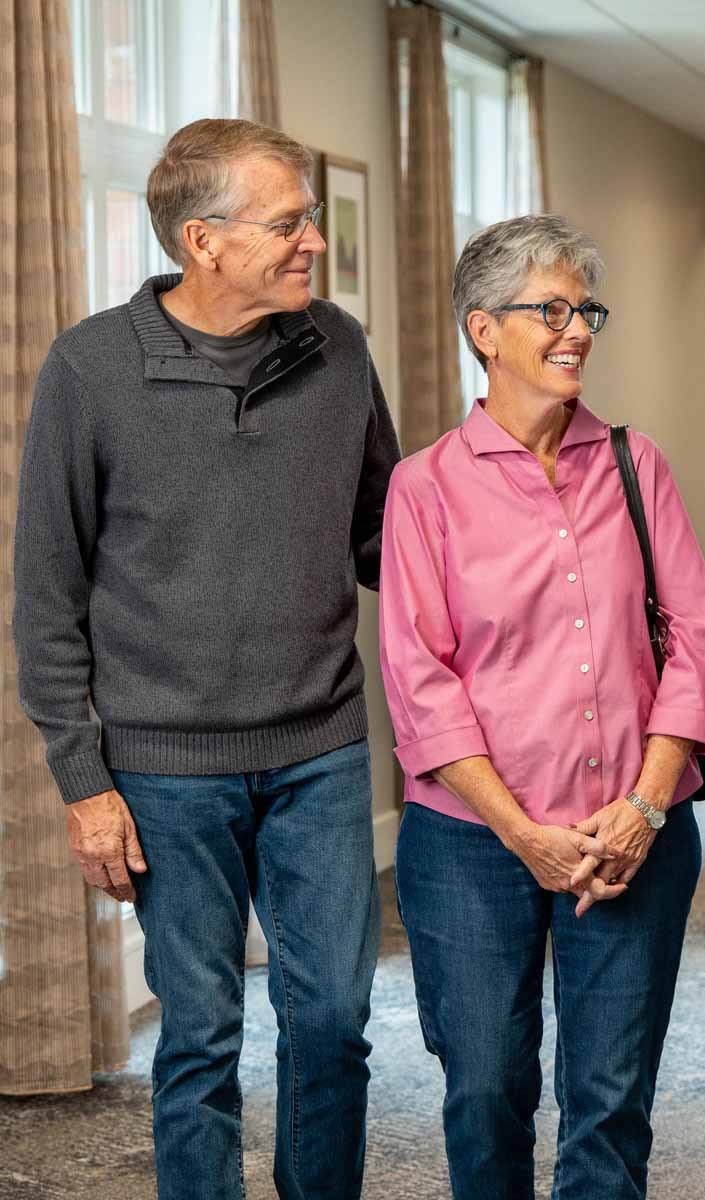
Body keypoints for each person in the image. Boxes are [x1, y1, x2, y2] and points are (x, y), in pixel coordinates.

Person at [13, 119, 400, 1200]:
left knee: (332, 1018)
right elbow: (46, 598)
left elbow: (388, 539)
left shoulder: (339, 349)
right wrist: (84, 785)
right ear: (204, 241)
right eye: (289, 223)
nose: (312, 243)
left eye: (310, 220)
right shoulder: (91, 369)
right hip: (164, 767)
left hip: (320, 747)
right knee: (201, 1034)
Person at [379, 213, 705, 1200]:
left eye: (587, 311)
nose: (577, 330)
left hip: (635, 834)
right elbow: (421, 680)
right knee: (485, 1086)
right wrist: (522, 831)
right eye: (553, 310)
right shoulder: (425, 490)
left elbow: (696, 648)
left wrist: (647, 807)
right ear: (484, 330)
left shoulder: (634, 464)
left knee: (611, 1094)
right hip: (472, 843)